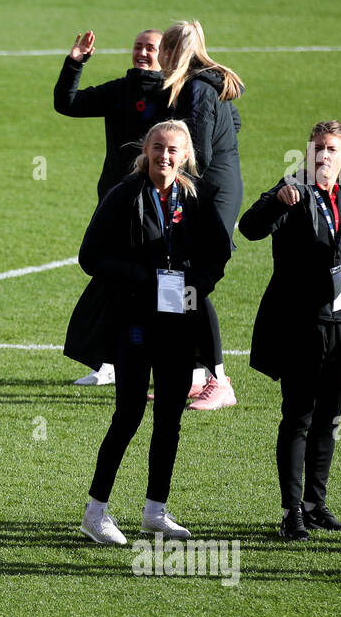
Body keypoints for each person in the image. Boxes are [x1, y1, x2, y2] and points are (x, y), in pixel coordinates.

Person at [69, 121, 230, 545]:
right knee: (129, 415)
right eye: (158, 147)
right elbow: (90, 255)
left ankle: (156, 510)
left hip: (179, 320)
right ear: (146, 149)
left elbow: (219, 252)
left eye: (173, 150)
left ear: (186, 155)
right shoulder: (124, 194)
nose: (165, 156)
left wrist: (197, 285)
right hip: (134, 322)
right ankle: (95, 512)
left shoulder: (196, 196)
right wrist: (143, 278)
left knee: (170, 419)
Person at [240, 121, 341, 540]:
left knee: (329, 418)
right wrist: (276, 201)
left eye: (331, 149)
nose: (323, 155)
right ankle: (291, 511)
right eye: (317, 148)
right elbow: (249, 227)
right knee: (298, 418)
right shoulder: (292, 190)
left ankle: (315, 505)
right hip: (299, 326)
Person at [55, 27, 171, 386]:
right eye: (137, 46)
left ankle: (184, 363)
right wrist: (75, 63)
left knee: (165, 279)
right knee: (113, 276)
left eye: (150, 48)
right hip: (116, 200)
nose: (142, 53)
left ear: (165, 54)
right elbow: (66, 103)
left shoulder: (175, 93)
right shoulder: (119, 91)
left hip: (159, 202)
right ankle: (109, 360)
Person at [158, 20, 244, 410]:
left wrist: (172, 186)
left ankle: (219, 380)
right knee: (178, 282)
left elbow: (200, 153)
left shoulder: (195, 88)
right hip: (212, 188)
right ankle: (192, 376)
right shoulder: (206, 84)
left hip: (206, 193)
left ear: (171, 51)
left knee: (190, 284)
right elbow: (234, 125)